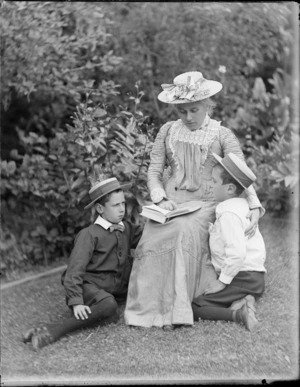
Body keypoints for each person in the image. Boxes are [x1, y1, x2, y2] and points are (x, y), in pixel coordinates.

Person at [124, 71, 265, 329]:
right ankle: (152, 308)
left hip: (205, 204)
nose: (188, 118)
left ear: (207, 105)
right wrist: (160, 197)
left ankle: (176, 310)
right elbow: (154, 172)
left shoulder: (222, 135)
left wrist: (254, 205)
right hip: (170, 203)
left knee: (181, 230)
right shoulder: (167, 131)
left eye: (194, 110)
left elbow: (240, 172)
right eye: (182, 112)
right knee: (153, 232)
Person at [22, 177, 142, 350]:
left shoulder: (127, 228)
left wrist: (163, 218)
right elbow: (74, 270)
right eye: (116, 205)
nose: (122, 209)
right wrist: (77, 301)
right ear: (100, 208)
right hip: (88, 287)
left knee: (111, 314)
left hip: (110, 292)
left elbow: (147, 237)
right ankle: (55, 330)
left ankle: (41, 330)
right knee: (109, 306)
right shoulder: (89, 235)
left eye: (123, 203)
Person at [192, 152, 266, 331]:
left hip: (244, 276)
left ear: (230, 189)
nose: (210, 184)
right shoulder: (240, 205)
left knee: (196, 306)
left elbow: (238, 253)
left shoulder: (228, 215)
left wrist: (223, 282)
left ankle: (239, 315)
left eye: (214, 181)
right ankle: (244, 299)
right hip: (252, 276)